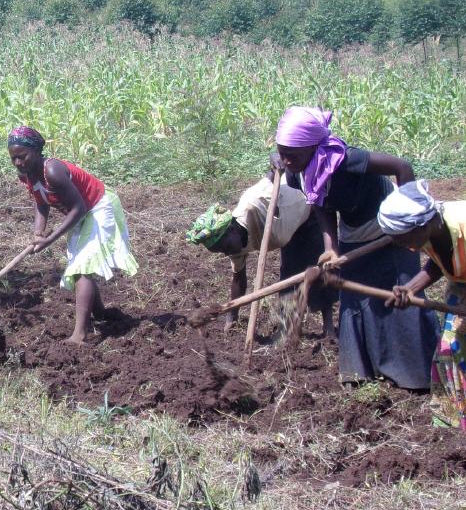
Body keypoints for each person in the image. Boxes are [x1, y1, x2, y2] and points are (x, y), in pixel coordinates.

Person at [275, 105, 438, 389]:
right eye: (281, 152)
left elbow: (402, 166)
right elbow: (321, 205)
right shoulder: (298, 171)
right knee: (354, 299)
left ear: (314, 147)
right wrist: (331, 247)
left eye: (293, 154)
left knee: (401, 296)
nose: (286, 161)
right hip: (354, 232)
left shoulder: (347, 160)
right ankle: (361, 371)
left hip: (392, 232)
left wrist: (407, 216)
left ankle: (415, 375)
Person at [378, 180, 466, 444]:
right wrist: (411, 288)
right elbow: (440, 262)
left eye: (402, 238)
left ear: (424, 224)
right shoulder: (425, 232)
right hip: (465, 284)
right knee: (451, 350)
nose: (401, 245)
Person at [7, 126, 138, 344]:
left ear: (37, 151)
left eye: (22, 157)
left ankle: (80, 334)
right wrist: (38, 232)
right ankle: (101, 314)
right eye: (13, 159)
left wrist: (50, 239)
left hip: (97, 206)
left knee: (83, 266)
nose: (18, 163)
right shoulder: (27, 175)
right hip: (81, 211)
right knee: (79, 262)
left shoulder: (52, 171)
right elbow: (41, 203)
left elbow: (78, 207)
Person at [186, 166, 336, 337]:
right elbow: (238, 279)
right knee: (288, 277)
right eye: (221, 252)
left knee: (318, 268)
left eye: (225, 248)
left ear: (231, 230)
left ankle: (329, 327)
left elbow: (273, 176)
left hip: (309, 209)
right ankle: (288, 330)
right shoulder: (233, 246)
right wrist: (232, 317)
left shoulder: (252, 203)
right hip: (287, 231)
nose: (226, 254)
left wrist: (279, 164)